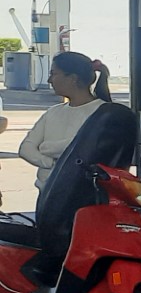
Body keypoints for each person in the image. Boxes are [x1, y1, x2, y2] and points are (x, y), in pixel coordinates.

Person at [18, 51, 113, 190]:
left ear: (73, 78)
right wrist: (52, 162)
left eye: (54, 74)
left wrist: (44, 147)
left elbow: (81, 149)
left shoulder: (103, 113)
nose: (49, 80)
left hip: (82, 196)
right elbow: (25, 149)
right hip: (45, 195)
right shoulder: (53, 112)